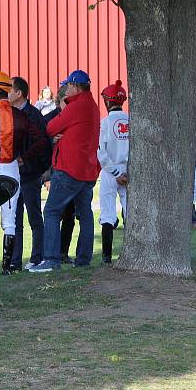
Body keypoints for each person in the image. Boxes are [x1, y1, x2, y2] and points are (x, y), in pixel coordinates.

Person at [30, 70, 100, 272]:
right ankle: (83, 260)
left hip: (69, 168)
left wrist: (59, 133)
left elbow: (50, 127)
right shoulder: (93, 107)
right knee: (85, 215)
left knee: (51, 211)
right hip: (87, 170)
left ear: (74, 86)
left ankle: (51, 259)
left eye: (68, 85)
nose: (66, 88)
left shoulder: (76, 106)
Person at [0, 71, 47, 275]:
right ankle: (8, 266)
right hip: (12, 168)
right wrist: (24, 157)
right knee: (10, 221)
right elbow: (41, 140)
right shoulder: (21, 115)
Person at [8, 76, 50, 272]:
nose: (6, 93)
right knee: (13, 219)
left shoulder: (33, 115)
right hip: (12, 174)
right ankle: (14, 261)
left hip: (30, 173)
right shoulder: (8, 114)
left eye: (9, 89)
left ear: (19, 93)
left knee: (34, 217)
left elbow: (42, 142)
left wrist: (26, 158)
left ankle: (36, 257)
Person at [97, 80, 129, 265]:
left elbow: (101, 153)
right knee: (129, 212)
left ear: (108, 101)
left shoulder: (106, 122)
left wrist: (116, 172)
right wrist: (125, 172)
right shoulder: (131, 120)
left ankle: (106, 257)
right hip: (128, 172)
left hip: (110, 172)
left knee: (108, 214)